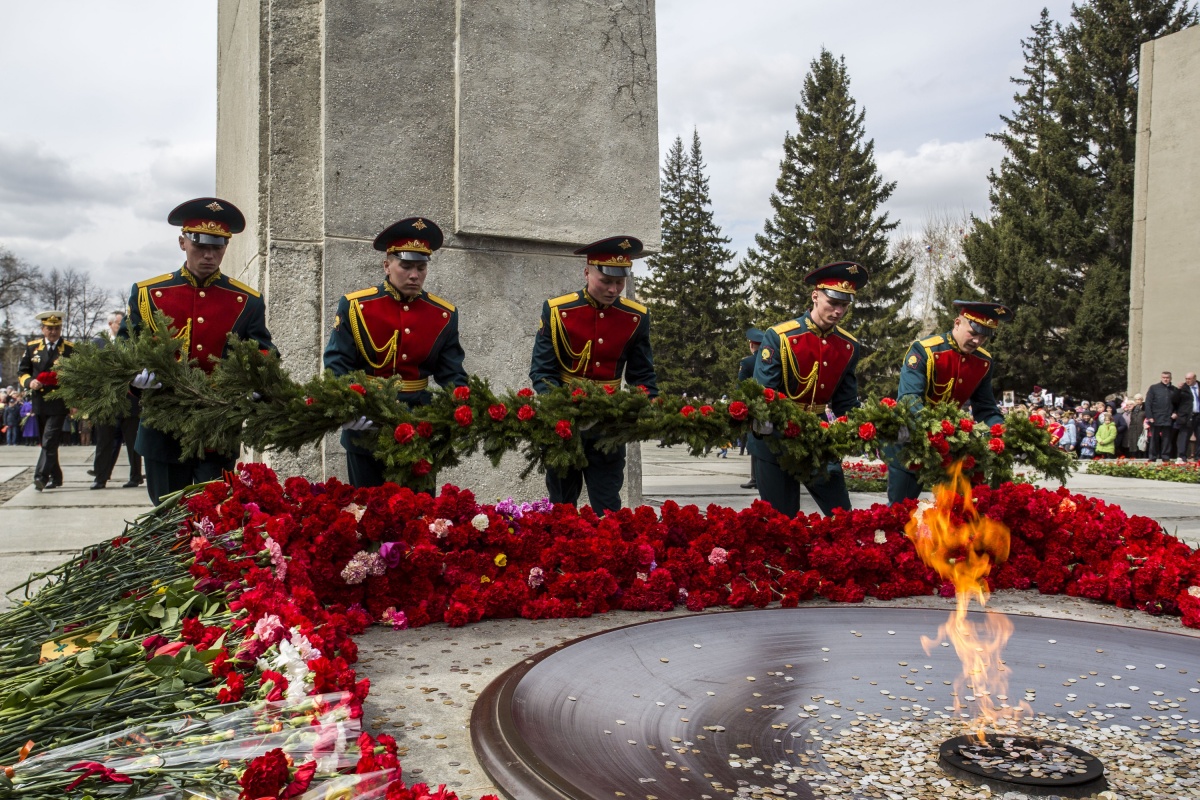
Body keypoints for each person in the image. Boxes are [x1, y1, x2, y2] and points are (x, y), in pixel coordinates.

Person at [122, 197, 274, 505]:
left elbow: (263, 352)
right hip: (163, 424)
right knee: (166, 516)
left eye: (217, 247)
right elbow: (125, 348)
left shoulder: (246, 300)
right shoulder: (148, 294)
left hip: (218, 426)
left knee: (215, 516)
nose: (209, 255)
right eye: (200, 246)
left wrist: (256, 384)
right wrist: (133, 378)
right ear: (182, 242)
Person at [324, 217, 467, 488]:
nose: (414, 275)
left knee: (419, 519)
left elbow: (453, 374)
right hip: (365, 423)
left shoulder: (443, 314)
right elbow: (337, 364)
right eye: (406, 266)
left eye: (421, 267)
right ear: (387, 264)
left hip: (419, 427)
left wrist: (460, 411)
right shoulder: (356, 306)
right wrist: (346, 409)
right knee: (366, 516)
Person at [530, 236, 657, 514]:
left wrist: (648, 408)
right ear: (587, 272)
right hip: (564, 423)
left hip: (609, 425)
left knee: (608, 505)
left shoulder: (636, 317)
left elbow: (642, 375)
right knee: (562, 503)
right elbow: (541, 372)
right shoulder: (558, 311)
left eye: (619, 282)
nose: (613, 290)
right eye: (605, 281)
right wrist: (562, 407)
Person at [751, 261, 868, 517]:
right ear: (815, 296)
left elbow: (846, 402)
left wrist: (862, 429)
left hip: (819, 438)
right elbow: (764, 392)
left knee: (842, 515)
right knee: (781, 522)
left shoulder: (848, 346)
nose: (838, 311)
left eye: (844, 305)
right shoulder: (780, 336)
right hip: (776, 439)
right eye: (833, 303)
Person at [887, 300, 1011, 505]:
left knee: (962, 512)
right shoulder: (924, 350)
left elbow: (986, 409)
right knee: (899, 512)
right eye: (974, 332)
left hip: (953, 448)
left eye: (984, 337)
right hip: (912, 444)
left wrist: (1002, 432)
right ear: (957, 323)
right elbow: (909, 400)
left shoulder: (984, 362)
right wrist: (938, 432)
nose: (977, 341)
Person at [18, 311, 75, 491]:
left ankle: (41, 476)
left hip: (60, 401)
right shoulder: (32, 347)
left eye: (56, 328)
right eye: (49, 328)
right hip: (40, 401)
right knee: (47, 441)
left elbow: (77, 376)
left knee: (50, 439)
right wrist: (29, 382)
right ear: (42, 329)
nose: (53, 332)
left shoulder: (69, 349)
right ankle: (57, 477)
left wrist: (75, 402)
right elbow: (23, 371)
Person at [90, 310, 144, 489]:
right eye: (118, 323)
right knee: (104, 441)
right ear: (110, 325)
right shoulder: (98, 344)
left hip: (130, 401)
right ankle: (100, 477)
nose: (121, 326)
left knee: (132, 442)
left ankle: (135, 476)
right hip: (107, 401)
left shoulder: (132, 343)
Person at [737, 327, 764, 487]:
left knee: (754, 441)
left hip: (754, 408)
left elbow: (740, 387)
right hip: (774, 405)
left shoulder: (747, 362)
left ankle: (755, 478)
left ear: (752, 345)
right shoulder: (774, 360)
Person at [1144, 371, 1178, 462]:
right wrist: (1149, 416)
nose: (1165, 379)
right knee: (1154, 438)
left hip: (1168, 418)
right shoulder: (1154, 388)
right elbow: (1148, 403)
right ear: (1161, 378)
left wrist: (1175, 412)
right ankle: (1152, 457)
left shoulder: (1174, 390)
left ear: (1170, 378)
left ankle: (1165, 457)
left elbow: (1178, 404)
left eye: (1167, 378)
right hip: (1155, 417)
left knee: (1167, 439)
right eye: (1164, 377)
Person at [1172, 372, 1199, 463]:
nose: (1187, 380)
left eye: (1189, 379)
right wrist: (1178, 390)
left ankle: (1198, 456)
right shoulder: (1183, 388)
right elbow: (1174, 400)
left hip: (1198, 416)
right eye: (1186, 378)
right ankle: (1182, 456)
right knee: (1184, 437)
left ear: (1195, 378)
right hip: (1186, 417)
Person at [1125, 393, 1147, 458]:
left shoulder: (1145, 407)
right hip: (1133, 428)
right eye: (1136, 400)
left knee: (1142, 442)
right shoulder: (1133, 409)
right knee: (1134, 443)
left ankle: (1142, 456)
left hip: (1142, 427)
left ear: (1142, 400)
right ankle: (1135, 455)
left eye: (1139, 399)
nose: (1137, 401)